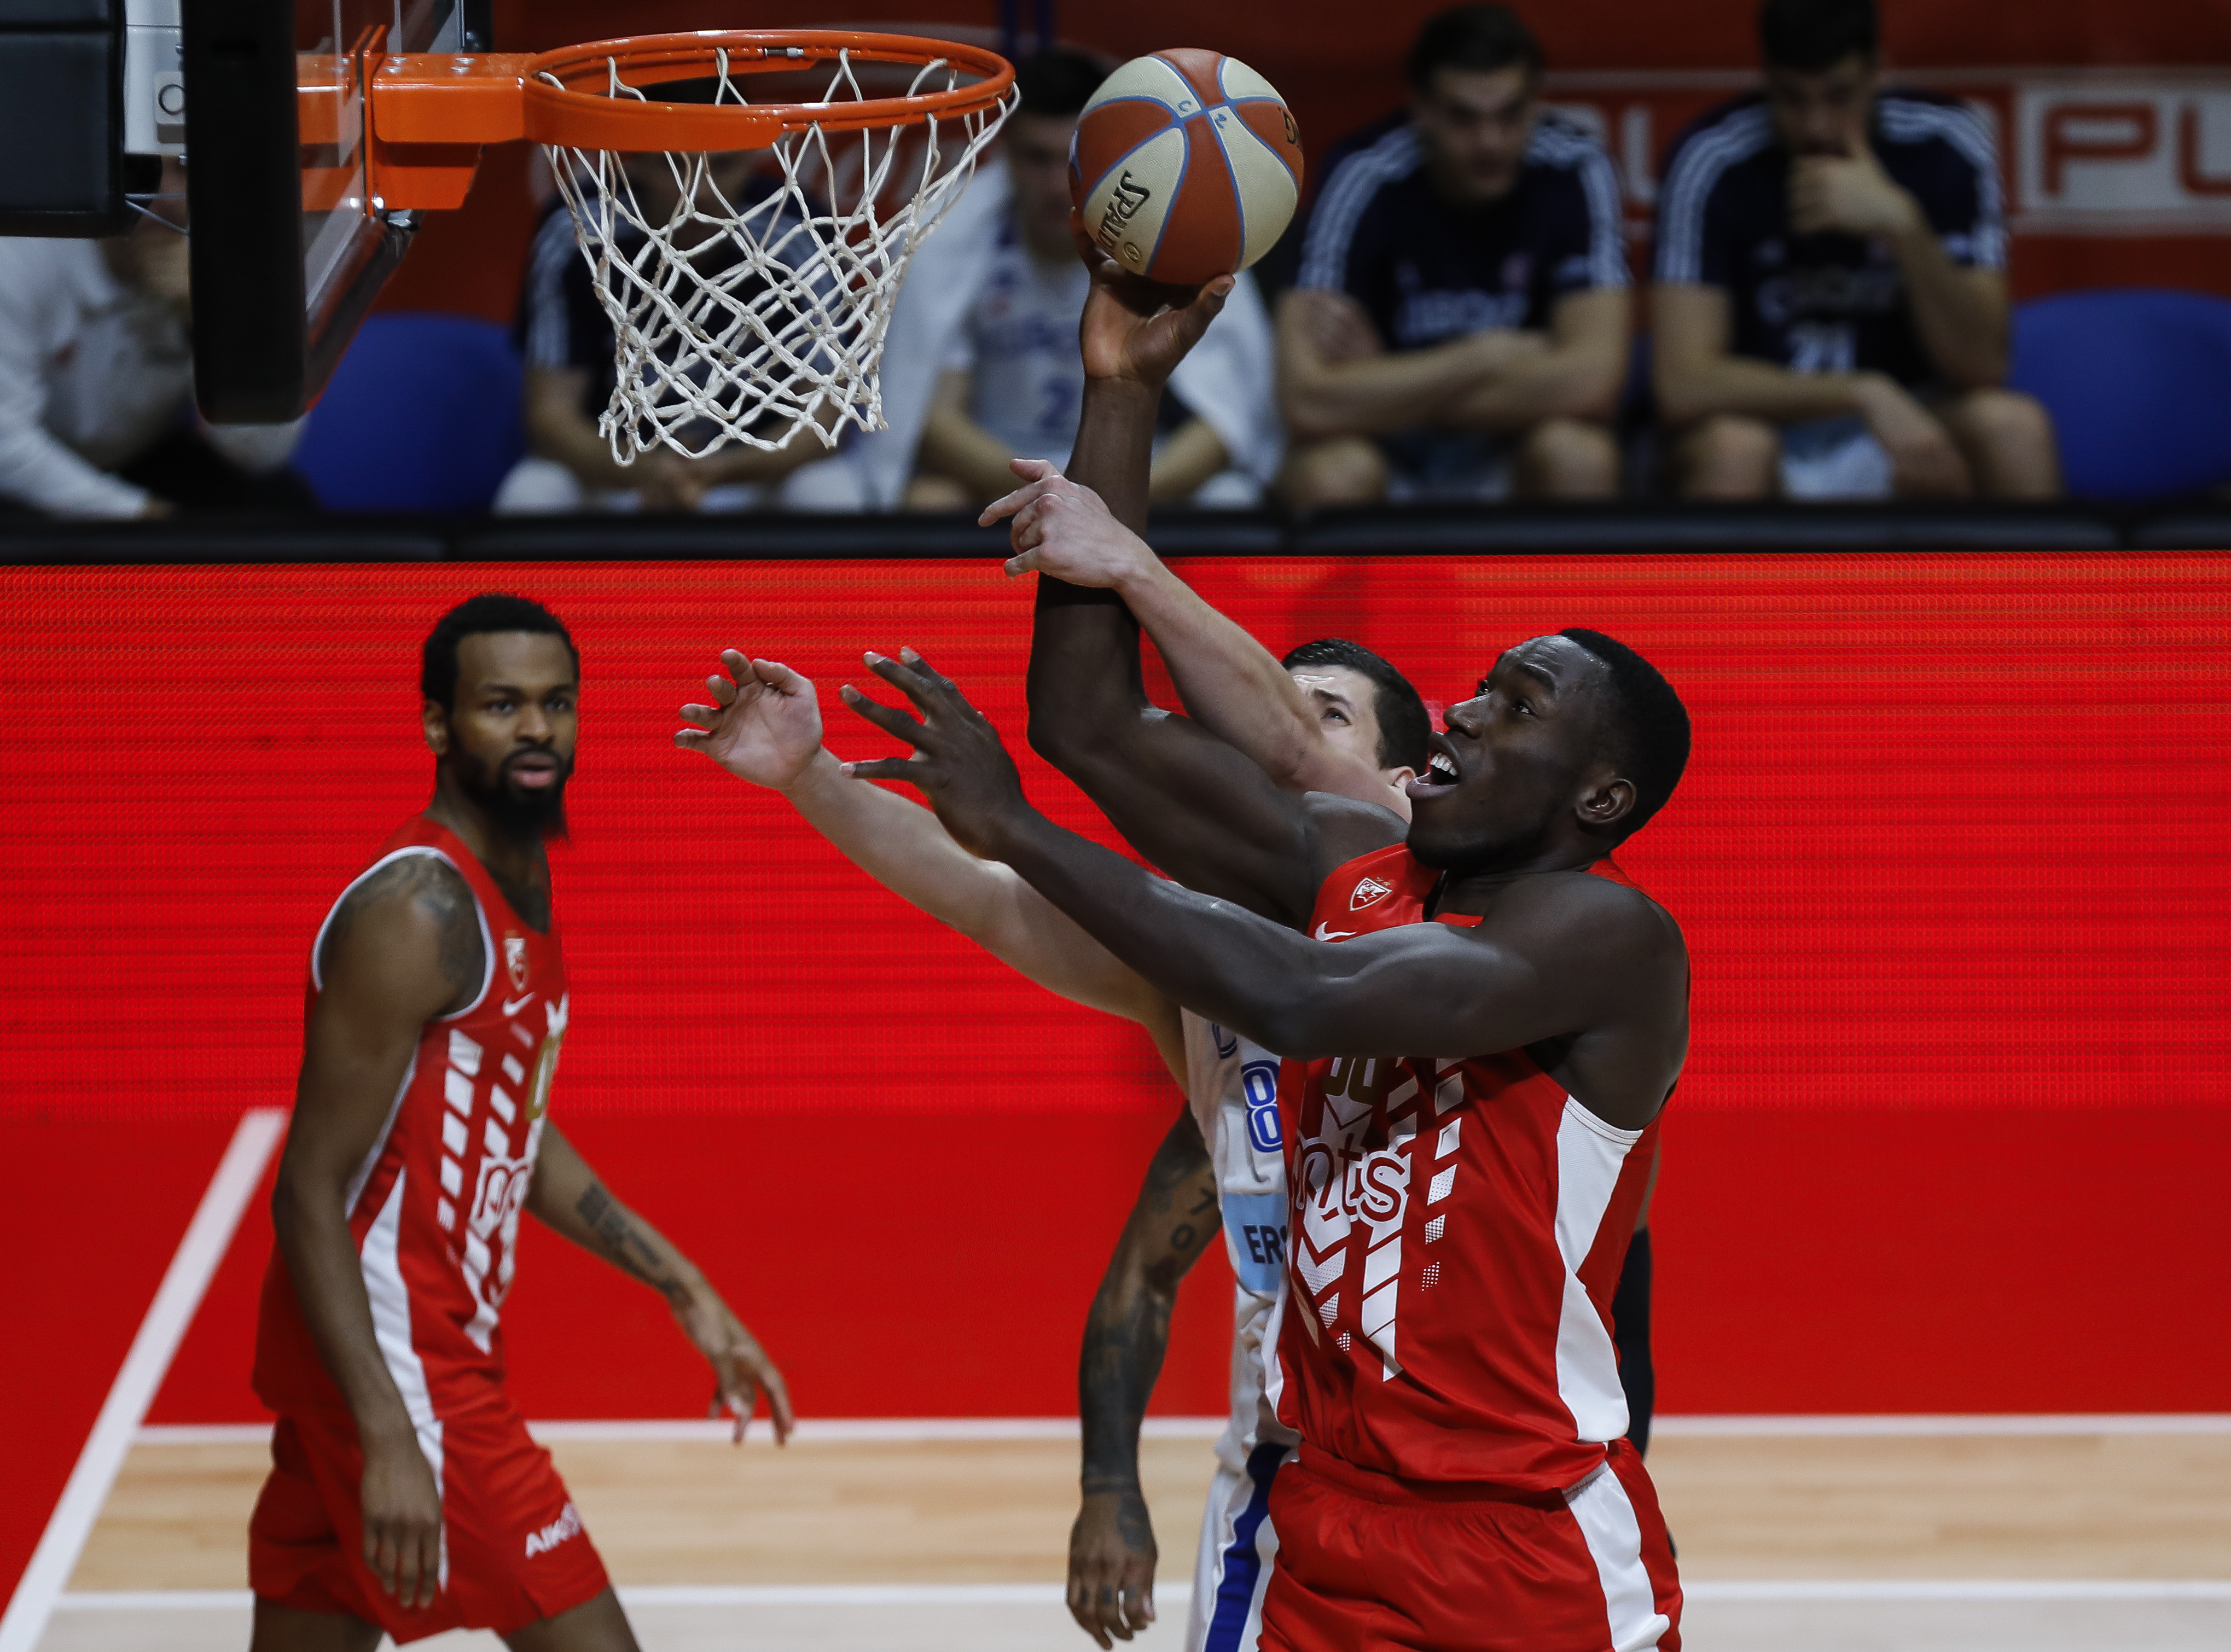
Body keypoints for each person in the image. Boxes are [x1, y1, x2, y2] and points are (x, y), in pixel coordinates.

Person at [832, 250, 1687, 1648]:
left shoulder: (1608, 936)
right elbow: (1090, 730)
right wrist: (1120, 395)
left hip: (1516, 1543)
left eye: (1514, 707)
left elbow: (1297, 998)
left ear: (1597, 799)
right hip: (1326, 1514)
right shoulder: (1355, 866)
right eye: (1476, 690)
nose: (1464, 713)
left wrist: (1017, 835)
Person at [675, 621, 1428, 1652]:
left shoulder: (1477, 944)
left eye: (1314, 716)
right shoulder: (1205, 967)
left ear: (1402, 777)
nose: (1266, 734)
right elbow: (989, 896)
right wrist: (810, 776)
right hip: (1291, 1465)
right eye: (1252, 709)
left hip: (1479, 1467)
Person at [248, 594, 792, 1652]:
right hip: (403, 1371)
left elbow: (513, 1131)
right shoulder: (420, 911)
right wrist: (390, 1433)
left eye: (556, 704)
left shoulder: (519, 881)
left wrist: (686, 1287)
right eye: (502, 705)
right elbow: (306, 1189)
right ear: (439, 725)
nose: (537, 728)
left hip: (390, 1358)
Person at [1651, 0, 2060, 499]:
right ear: (1765, 81)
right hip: (1770, 428)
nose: (1817, 125)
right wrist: (1862, 392)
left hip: (1909, 429)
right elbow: (1683, 384)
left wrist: (1903, 225)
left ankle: (2045, 582)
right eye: (1791, 99)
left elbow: (1982, 364)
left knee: (2012, 428)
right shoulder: (1713, 158)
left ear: (1878, 74)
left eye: (1839, 96)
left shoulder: (1946, 142)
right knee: (1735, 451)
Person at [849, 50, 1280, 513]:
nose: (1058, 184)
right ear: (1004, 152)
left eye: (1074, 159)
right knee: (930, 501)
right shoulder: (948, 236)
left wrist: (1113, 494)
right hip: (1005, 463)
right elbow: (929, 417)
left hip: (1140, 461)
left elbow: (1224, 422)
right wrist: (1060, 495)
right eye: (1038, 159)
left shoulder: (1177, 229)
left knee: (1229, 500)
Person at [1276, 4, 1631, 508]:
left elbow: (1594, 385)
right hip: (1388, 451)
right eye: (1464, 117)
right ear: (1422, 108)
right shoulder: (1364, 173)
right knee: (1332, 474)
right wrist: (1484, 357)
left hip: (1508, 449)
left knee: (1578, 455)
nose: (1490, 142)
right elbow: (1305, 400)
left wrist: (1384, 385)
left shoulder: (1576, 169)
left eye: (1509, 114)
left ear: (1536, 102)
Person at [498, 152, 834, 514]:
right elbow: (550, 419)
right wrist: (647, 471)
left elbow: (821, 422)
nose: (698, 194)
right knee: (531, 493)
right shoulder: (581, 229)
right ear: (634, 162)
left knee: (830, 494)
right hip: (614, 472)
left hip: (750, 474)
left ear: (751, 161)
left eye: (722, 166)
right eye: (673, 168)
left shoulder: (793, 231)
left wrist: (713, 471)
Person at [0, 156, 311, 518]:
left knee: (282, 504)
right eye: (141, 169)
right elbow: (6, 447)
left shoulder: (232, 254)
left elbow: (263, 454)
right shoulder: (21, 251)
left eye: (186, 167)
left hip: (144, 455)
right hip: (31, 469)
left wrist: (209, 318)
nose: (168, 199)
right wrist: (142, 518)